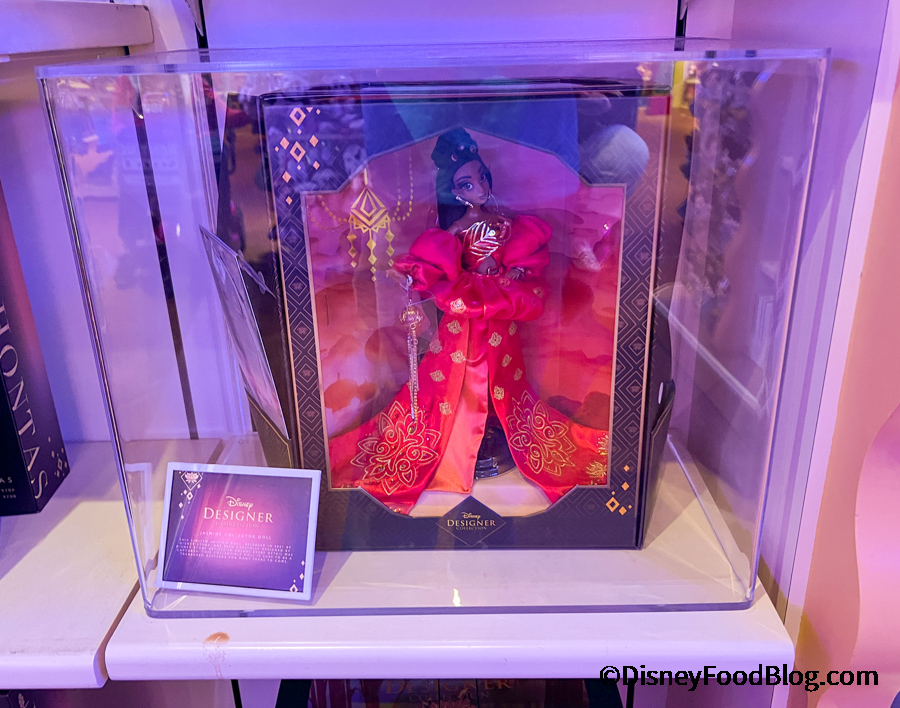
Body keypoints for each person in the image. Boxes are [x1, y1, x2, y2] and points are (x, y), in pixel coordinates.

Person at [329, 129, 609, 514]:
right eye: (467, 183)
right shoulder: (458, 228)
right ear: (455, 192)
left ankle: (497, 425)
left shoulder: (503, 221)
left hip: (502, 307)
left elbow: (525, 254)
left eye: (481, 178)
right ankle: (463, 433)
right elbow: (434, 260)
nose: (479, 187)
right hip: (468, 308)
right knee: (463, 370)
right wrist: (411, 275)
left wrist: (515, 272)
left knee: (506, 371)